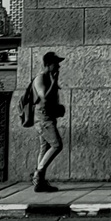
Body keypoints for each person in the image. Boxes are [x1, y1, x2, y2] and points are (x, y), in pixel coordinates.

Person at [32, 51, 65, 193]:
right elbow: (44, 98)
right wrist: (54, 83)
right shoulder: (40, 78)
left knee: (44, 148)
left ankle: (40, 183)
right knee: (57, 145)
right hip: (43, 119)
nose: (58, 66)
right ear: (47, 65)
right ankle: (38, 175)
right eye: (55, 64)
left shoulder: (49, 77)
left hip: (48, 117)